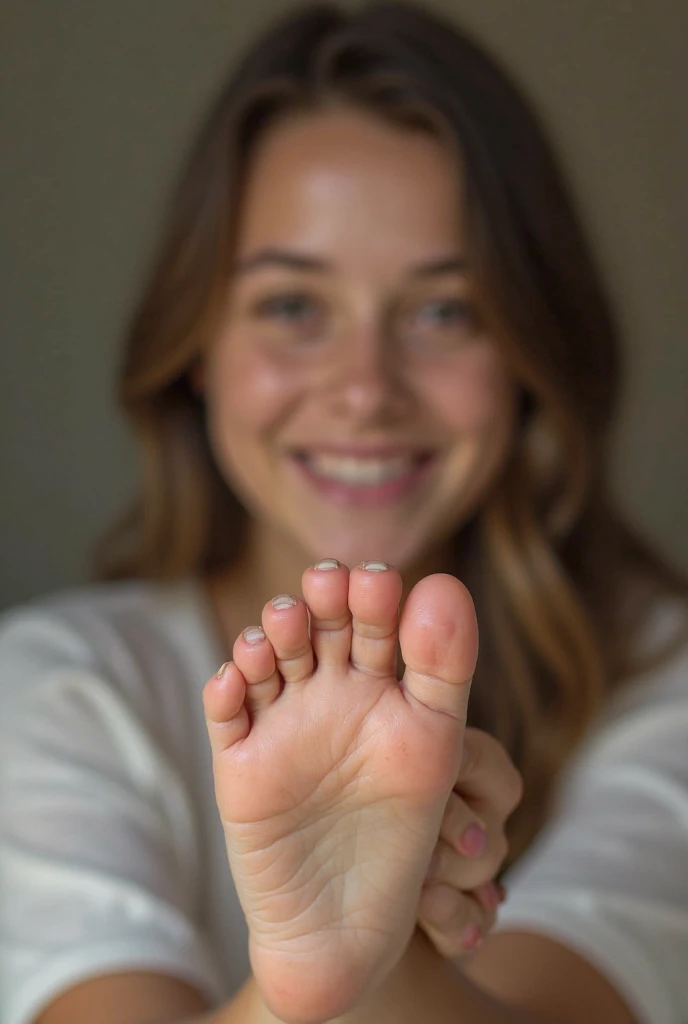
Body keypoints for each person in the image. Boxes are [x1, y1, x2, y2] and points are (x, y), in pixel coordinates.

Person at [1, 2, 687, 1022]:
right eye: (292, 306)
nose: (365, 388)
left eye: (443, 310)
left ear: (531, 360)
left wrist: (388, 940)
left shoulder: (660, 680)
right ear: (198, 349)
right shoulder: (57, 692)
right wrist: (314, 975)